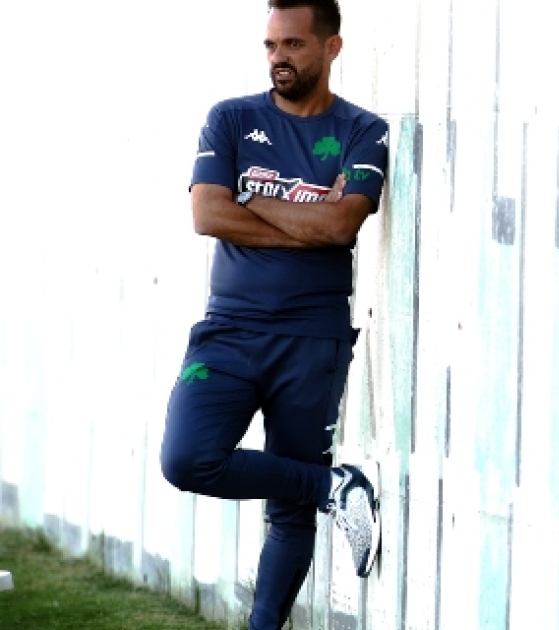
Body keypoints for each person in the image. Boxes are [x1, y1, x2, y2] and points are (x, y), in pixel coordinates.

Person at [159, 1, 388, 628]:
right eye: (270, 45)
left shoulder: (363, 131)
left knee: (287, 514)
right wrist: (308, 223)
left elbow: (341, 226)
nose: (278, 58)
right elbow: (207, 214)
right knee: (187, 458)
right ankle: (333, 487)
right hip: (228, 333)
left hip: (314, 339)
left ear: (331, 47)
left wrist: (252, 197)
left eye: (293, 44)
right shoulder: (231, 119)